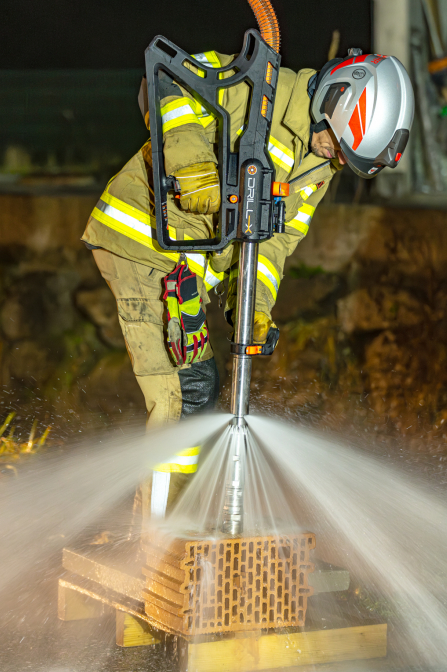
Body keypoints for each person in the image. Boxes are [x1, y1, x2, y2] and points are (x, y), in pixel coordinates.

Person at [82, 48, 414, 517]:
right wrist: (191, 163)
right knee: (186, 393)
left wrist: (253, 307)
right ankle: (159, 543)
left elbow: (273, 245)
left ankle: (174, 527)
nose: (336, 159)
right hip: (142, 239)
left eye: (347, 158)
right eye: (339, 147)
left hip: (184, 264)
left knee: (200, 389)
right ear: (337, 99)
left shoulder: (319, 163)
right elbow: (163, 83)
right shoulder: (257, 88)